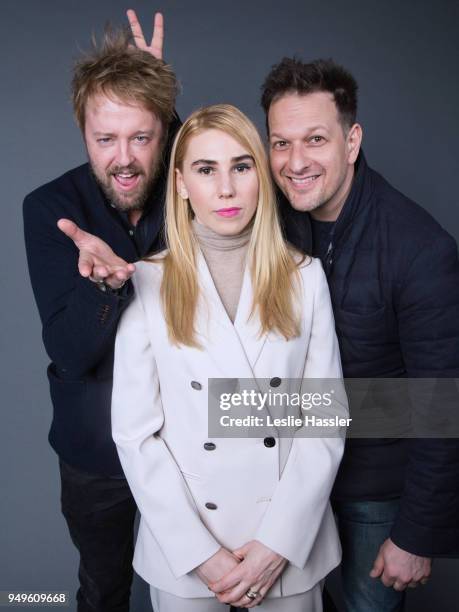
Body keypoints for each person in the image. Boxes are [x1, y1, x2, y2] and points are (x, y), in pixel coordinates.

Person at [111, 103, 348, 612]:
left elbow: (324, 421)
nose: (225, 188)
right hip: (189, 558)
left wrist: (276, 544)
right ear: (179, 183)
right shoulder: (146, 281)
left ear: (260, 177)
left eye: (241, 167)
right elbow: (134, 435)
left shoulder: (304, 276)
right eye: (205, 170)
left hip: (289, 550)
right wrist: (202, 556)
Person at [259, 57, 459, 611]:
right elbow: (201, 175)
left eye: (316, 139)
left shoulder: (420, 248)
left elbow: (442, 405)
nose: (296, 162)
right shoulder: (265, 216)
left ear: (351, 141)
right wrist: (155, 102)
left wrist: (416, 535)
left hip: (374, 492)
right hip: (281, 481)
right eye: (280, 143)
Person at [23, 25, 179, 612]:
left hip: (184, 441)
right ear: (82, 134)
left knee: (201, 589)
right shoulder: (49, 209)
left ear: (163, 131)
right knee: (103, 590)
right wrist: (105, 288)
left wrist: (158, 94)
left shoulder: (189, 187)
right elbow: (68, 350)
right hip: (96, 451)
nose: (124, 159)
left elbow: (208, 157)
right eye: (105, 138)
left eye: (142, 136)